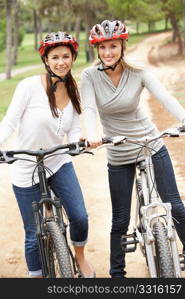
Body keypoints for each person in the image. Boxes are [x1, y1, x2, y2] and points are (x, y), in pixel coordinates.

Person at [80, 20, 185, 278]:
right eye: (102, 47)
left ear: (122, 45)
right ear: (97, 49)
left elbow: (164, 97)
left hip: (150, 144)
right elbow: (90, 109)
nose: (108, 52)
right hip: (119, 152)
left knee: (175, 205)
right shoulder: (89, 76)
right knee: (120, 221)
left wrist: (183, 118)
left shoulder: (139, 72)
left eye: (113, 46)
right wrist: (93, 134)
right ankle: (117, 274)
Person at [0, 31, 95, 278]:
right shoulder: (28, 86)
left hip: (57, 161)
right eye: (55, 57)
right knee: (33, 234)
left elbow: (73, 128)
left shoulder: (74, 87)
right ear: (46, 60)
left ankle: (80, 256)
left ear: (73, 57)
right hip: (25, 165)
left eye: (66, 56)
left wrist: (77, 142)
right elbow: (9, 123)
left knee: (80, 216)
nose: (61, 62)